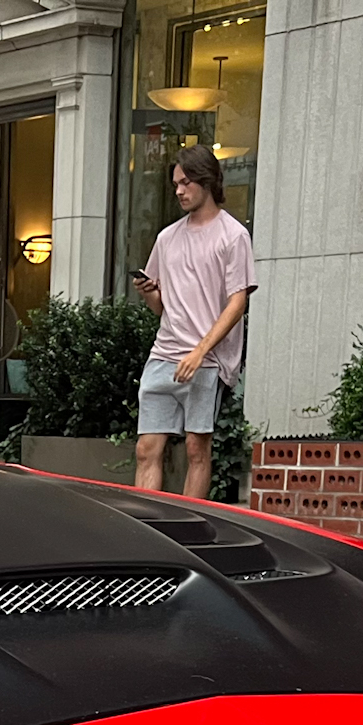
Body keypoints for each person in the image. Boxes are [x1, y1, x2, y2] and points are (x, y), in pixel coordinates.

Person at [132, 145, 255, 498]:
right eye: (175, 184)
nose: (179, 191)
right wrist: (148, 292)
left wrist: (200, 352)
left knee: (196, 450)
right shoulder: (167, 238)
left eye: (186, 183)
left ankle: (190, 528)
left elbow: (237, 303)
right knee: (146, 449)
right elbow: (162, 308)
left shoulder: (233, 236)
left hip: (207, 360)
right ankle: (146, 528)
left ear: (207, 181)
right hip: (164, 354)